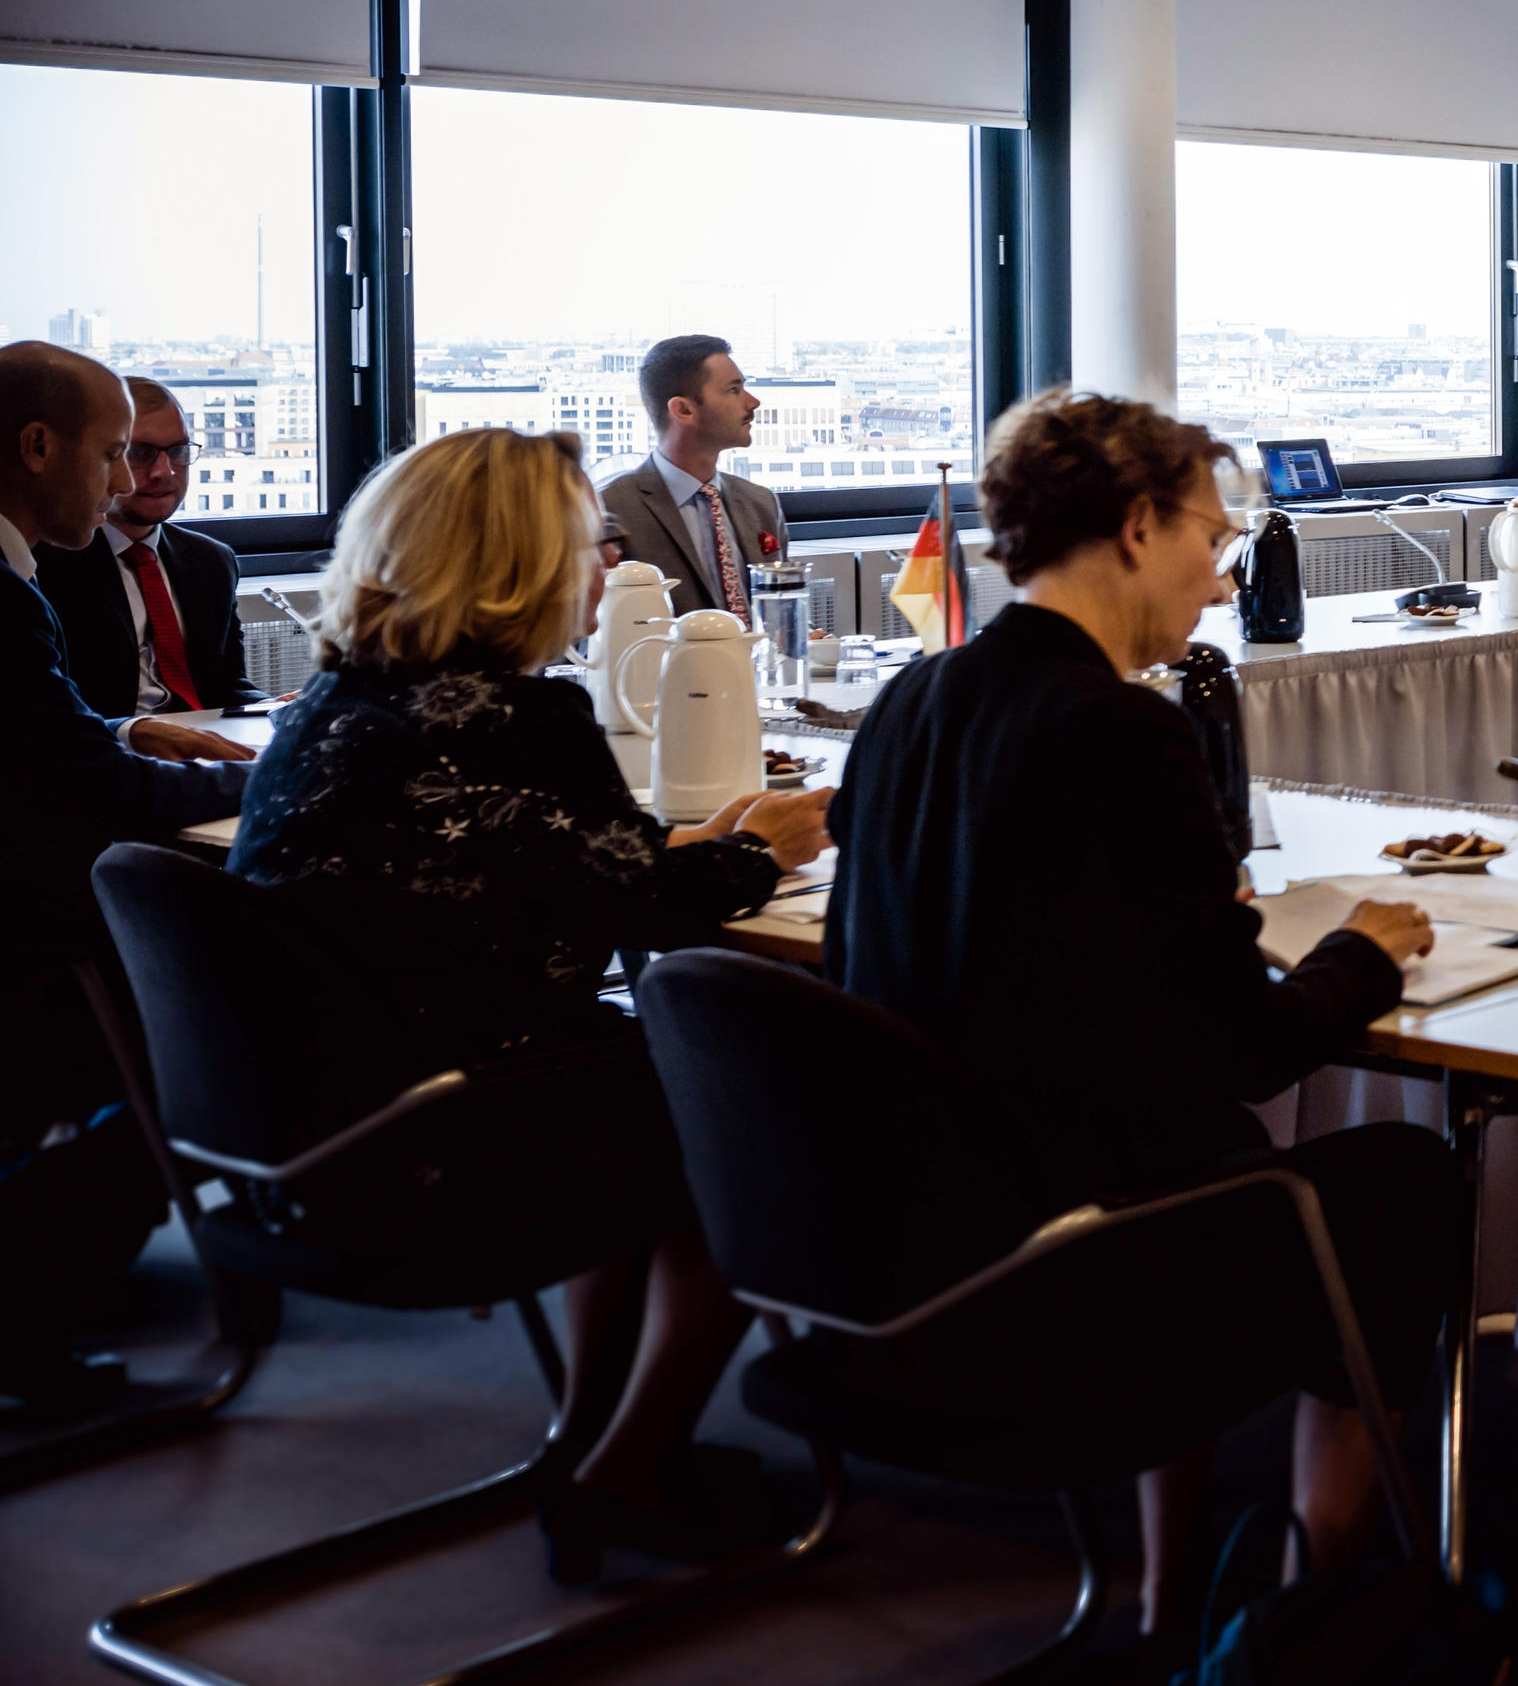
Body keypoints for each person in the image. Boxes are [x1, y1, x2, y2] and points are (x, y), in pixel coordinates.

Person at [827, 387, 1452, 1638]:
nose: (1221, 585)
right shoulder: (1119, 734)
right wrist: (1362, 954)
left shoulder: (913, 701)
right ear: (1135, 527)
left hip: (906, 1238)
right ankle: (1310, 1597)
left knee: (1189, 1144)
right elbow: (1246, 1051)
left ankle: (1175, 1591)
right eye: (1210, 544)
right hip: (1074, 1257)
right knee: (1405, 1182)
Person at [232, 426, 831, 1571]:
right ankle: (625, 1467)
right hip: (445, 1139)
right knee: (750, 1121)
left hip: (305, 1134)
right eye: (588, 546)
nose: (604, 568)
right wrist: (765, 849)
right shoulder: (521, 719)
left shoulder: (335, 702)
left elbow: (564, 868)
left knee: (630, 1084)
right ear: (523, 564)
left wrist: (678, 855)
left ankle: (591, 1435)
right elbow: (653, 909)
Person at [0, 343, 254, 1410]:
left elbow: (39, 745)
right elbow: (85, 796)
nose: (121, 484)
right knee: (225, 1019)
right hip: (30, 927)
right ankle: (26, 1298)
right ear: (38, 446)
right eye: (110, 455)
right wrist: (261, 786)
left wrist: (117, 728)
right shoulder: (8, 593)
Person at [40, 376, 263, 718]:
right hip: (106, 753)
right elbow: (43, 709)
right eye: (139, 453)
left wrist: (277, 708)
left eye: (177, 452)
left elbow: (225, 686)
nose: (165, 472)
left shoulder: (212, 561)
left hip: (203, 748)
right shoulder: (45, 563)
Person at [597, 336, 785, 624]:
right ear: (683, 410)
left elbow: (781, 610)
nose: (753, 402)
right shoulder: (611, 510)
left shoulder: (761, 503)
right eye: (734, 390)